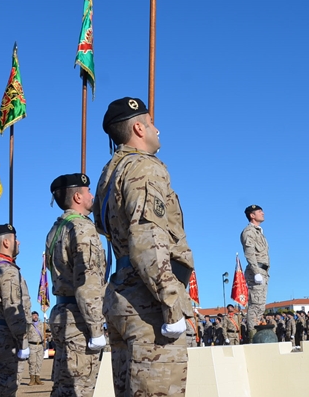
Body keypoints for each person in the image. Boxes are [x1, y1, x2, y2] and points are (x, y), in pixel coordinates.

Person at [96, 97, 196, 397]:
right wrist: (171, 302)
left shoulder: (110, 172)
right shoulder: (144, 168)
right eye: (151, 123)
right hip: (148, 302)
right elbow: (147, 238)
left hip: (124, 295)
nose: (157, 129)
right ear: (138, 127)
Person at [46, 173, 107, 397]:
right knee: (79, 388)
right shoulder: (82, 228)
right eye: (88, 191)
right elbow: (88, 282)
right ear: (78, 197)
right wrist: (96, 328)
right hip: (80, 317)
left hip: (63, 312)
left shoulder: (57, 229)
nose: (92, 196)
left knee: (63, 386)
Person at [0, 223, 31, 397]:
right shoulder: (8, 271)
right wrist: (23, 340)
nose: (19, 243)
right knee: (5, 391)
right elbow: (13, 308)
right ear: (6, 243)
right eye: (15, 239)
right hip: (6, 336)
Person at [241, 204, 269, 340]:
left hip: (263, 271)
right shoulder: (249, 232)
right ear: (252, 215)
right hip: (256, 270)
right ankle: (253, 336)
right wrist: (256, 271)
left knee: (260, 306)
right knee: (255, 305)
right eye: (259, 211)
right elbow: (249, 252)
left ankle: (257, 333)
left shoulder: (259, 232)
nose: (262, 213)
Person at [27, 311, 45, 386]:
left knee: (39, 363)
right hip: (32, 345)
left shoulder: (42, 324)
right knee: (32, 362)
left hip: (40, 345)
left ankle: (38, 378)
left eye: (36, 315)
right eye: (33, 315)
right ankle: (32, 379)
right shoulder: (28, 325)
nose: (35, 317)